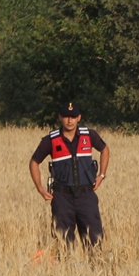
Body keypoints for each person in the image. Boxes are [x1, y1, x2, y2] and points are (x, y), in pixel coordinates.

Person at [29, 103, 109, 247]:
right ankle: (66, 269)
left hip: (86, 195)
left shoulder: (90, 135)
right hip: (62, 197)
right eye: (66, 117)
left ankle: (94, 268)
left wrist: (101, 175)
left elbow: (105, 150)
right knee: (63, 243)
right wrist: (40, 188)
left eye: (73, 117)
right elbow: (34, 162)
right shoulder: (50, 140)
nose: (69, 120)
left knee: (95, 242)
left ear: (79, 117)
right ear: (60, 117)